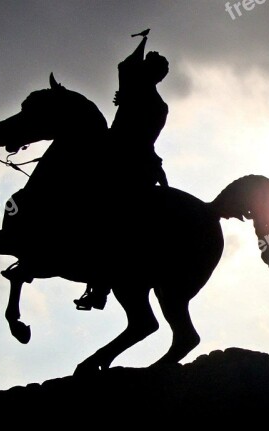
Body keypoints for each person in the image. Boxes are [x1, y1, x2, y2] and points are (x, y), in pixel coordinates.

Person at [74, 29, 170, 311]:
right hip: (120, 153)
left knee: (113, 216)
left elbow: (141, 137)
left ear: (153, 75)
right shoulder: (137, 92)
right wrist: (143, 44)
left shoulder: (148, 100)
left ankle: (100, 285)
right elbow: (126, 67)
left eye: (148, 68)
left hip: (129, 162)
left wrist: (142, 46)